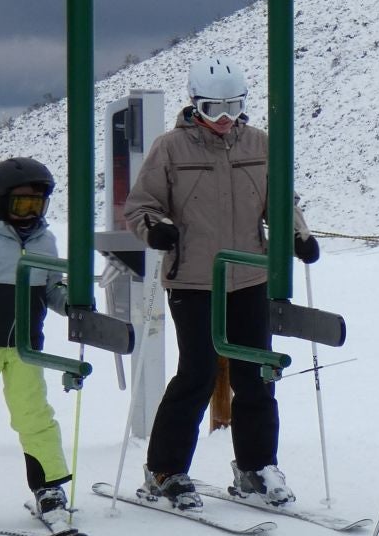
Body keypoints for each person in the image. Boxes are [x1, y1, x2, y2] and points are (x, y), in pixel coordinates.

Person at [124, 58, 319, 512]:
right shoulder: (170, 149)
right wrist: (156, 228)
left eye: (233, 106)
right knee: (198, 372)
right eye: (214, 108)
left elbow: (279, 199)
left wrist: (297, 236)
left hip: (249, 275)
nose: (224, 118)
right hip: (195, 279)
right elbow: (140, 205)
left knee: (257, 373)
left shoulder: (258, 143)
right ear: (195, 105)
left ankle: (256, 466)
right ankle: (165, 470)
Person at [0, 157, 76, 532]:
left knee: (34, 417)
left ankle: (48, 489)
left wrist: (71, 301)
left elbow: (52, 288)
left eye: (37, 205)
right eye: (21, 204)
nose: (29, 213)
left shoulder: (45, 238)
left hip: (24, 345)